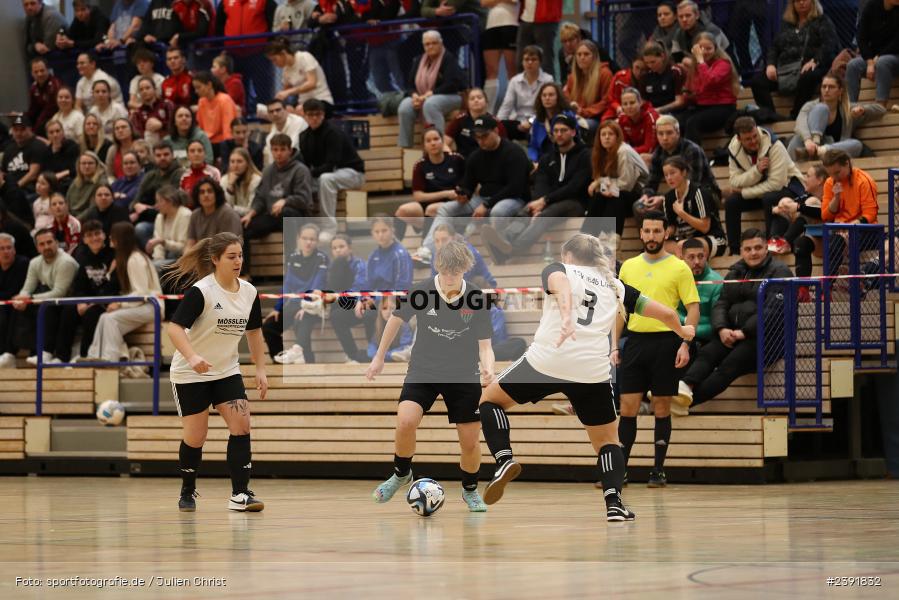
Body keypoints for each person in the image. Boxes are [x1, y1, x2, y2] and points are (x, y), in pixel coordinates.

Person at [477, 233, 695, 520]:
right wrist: (683, 332)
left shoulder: (559, 269)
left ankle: (504, 459)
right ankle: (614, 503)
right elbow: (666, 313)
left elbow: (562, 286)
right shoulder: (615, 285)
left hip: (549, 360)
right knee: (607, 441)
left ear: (568, 256)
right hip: (590, 371)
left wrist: (567, 316)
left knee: (489, 400)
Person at [366, 239, 495, 513]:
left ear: (465, 270)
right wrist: (379, 357)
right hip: (424, 369)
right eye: (446, 272)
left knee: (470, 441)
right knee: (405, 422)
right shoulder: (421, 291)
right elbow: (395, 321)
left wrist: (489, 368)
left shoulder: (476, 298)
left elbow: (486, 345)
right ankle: (401, 473)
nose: (450, 278)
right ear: (438, 267)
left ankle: (470, 490)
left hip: (463, 374)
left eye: (456, 273)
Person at [164, 231, 268, 512]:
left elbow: (255, 333)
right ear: (215, 259)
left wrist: (260, 369)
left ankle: (240, 494)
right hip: (190, 374)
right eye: (231, 257)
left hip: (226, 371)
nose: (238, 261)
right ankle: (187, 490)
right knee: (196, 437)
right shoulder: (202, 291)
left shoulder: (249, 292)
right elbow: (174, 328)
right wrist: (193, 356)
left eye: (240, 256)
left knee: (242, 424)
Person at [617, 211, 699, 487]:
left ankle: (658, 470)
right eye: (647, 231)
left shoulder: (679, 267)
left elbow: (693, 309)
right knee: (627, 407)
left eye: (656, 231)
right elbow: (620, 310)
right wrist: (614, 345)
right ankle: (621, 470)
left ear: (666, 233)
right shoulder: (627, 267)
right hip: (635, 343)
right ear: (640, 233)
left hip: (667, 343)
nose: (651, 236)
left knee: (661, 406)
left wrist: (686, 343)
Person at [677, 229, 792, 413]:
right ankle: (684, 387)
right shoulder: (735, 272)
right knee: (708, 352)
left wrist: (744, 332)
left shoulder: (780, 272)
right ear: (742, 251)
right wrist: (722, 329)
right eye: (748, 249)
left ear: (766, 249)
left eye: (757, 248)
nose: (753, 253)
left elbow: (773, 312)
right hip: (733, 334)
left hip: (766, 340)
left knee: (729, 365)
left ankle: (685, 403)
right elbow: (721, 305)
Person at [481, 113, 589, 260]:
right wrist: (539, 202)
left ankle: (512, 250)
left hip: (575, 203)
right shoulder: (547, 158)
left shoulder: (584, 155)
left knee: (542, 216)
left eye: (563, 130)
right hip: (550, 202)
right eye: (556, 130)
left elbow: (575, 187)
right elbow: (541, 183)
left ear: (573, 132)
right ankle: (504, 241)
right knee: (527, 209)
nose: (559, 134)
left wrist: (545, 201)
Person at [435, 115, 532, 237]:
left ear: (496, 131)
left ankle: (499, 250)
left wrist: (487, 205)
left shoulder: (514, 152)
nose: (481, 141)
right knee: (445, 209)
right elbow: (468, 184)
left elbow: (515, 187)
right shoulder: (475, 157)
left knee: (498, 211)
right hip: (484, 198)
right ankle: (430, 249)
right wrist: (463, 193)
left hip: (515, 198)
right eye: (477, 137)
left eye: (484, 136)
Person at [331, 217, 412, 363]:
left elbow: (402, 287)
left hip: (394, 300)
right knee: (338, 316)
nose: (380, 234)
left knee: (370, 312)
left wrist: (375, 301)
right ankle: (353, 356)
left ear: (392, 231)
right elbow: (366, 284)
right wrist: (361, 300)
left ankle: (376, 356)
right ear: (372, 234)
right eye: (377, 231)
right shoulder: (374, 255)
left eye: (384, 230)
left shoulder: (401, 253)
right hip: (375, 300)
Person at [724, 116, 805, 255]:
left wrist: (744, 192)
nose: (754, 141)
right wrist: (756, 171)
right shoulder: (733, 148)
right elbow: (734, 181)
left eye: (755, 136)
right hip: (761, 189)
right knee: (731, 202)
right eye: (748, 139)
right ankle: (735, 250)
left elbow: (776, 184)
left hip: (790, 187)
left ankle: (768, 245)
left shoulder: (774, 145)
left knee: (769, 198)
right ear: (739, 139)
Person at [751, 0, 838, 119]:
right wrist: (770, 64)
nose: (801, 3)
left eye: (805, 0)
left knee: (809, 76)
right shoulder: (786, 24)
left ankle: (795, 115)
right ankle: (770, 115)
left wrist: (815, 60)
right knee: (757, 81)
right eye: (797, 1)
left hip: (812, 66)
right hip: (786, 69)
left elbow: (829, 44)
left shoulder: (822, 20)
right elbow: (775, 47)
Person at [242, 133, 313, 272]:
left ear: (290, 151)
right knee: (245, 227)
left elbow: (304, 199)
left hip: (296, 215)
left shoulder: (300, 170)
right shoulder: (268, 170)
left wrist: (285, 201)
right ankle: (245, 273)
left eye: (282, 149)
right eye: (275, 149)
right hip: (273, 216)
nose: (278, 153)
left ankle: (292, 269)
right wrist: (251, 213)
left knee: (288, 215)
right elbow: (260, 197)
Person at [262, 223, 329, 365]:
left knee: (302, 321)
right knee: (268, 326)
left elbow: (318, 285)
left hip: (312, 305)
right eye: (305, 238)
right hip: (293, 304)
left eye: (312, 239)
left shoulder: (322, 258)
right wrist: (277, 308)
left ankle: (308, 361)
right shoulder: (293, 258)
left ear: (317, 241)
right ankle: (279, 362)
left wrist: (305, 306)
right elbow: (287, 285)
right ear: (298, 238)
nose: (308, 242)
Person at [11, 228, 79, 365]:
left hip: (71, 302)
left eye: (49, 242)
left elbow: (59, 292)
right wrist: (21, 298)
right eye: (42, 244)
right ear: (37, 247)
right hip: (53, 300)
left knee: (46, 307)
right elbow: (27, 288)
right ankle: (12, 353)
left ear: (57, 243)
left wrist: (29, 299)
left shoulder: (66, 262)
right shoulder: (35, 262)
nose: (46, 246)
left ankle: (47, 352)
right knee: (18, 308)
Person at [297, 100, 365, 235]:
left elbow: (330, 165)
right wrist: (304, 176)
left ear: (323, 114)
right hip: (327, 174)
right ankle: (305, 226)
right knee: (301, 183)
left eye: (318, 114)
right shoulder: (304, 136)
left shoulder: (333, 132)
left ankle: (329, 227)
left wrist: (309, 174)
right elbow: (306, 164)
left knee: (326, 178)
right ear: (304, 115)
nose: (315, 118)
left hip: (353, 173)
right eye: (311, 115)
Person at [636, 115, 720, 221]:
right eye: (660, 134)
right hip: (676, 195)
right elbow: (651, 183)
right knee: (639, 206)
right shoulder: (658, 153)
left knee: (687, 200)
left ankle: (671, 231)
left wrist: (664, 199)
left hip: (703, 193)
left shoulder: (692, 150)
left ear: (678, 133)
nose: (664, 138)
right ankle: (659, 235)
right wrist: (646, 195)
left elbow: (691, 184)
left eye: (669, 133)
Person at [55, 220, 117, 363]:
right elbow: (80, 285)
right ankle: (61, 357)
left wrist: (92, 303)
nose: (94, 238)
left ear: (104, 235)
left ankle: (84, 355)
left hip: (107, 301)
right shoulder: (82, 256)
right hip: (89, 300)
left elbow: (114, 285)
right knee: (69, 310)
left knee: (91, 313)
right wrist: (82, 301)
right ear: (84, 239)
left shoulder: (113, 255)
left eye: (97, 234)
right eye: (89, 235)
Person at [787, 74, 886, 162]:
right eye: (824, 87)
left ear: (840, 91)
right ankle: (815, 144)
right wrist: (808, 140)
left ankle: (819, 151)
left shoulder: (847, 110)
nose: (826, 90)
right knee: (821, 108)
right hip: (804, 148)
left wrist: (863, 109)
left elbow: (881, 110)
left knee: (857, 145)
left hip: (829, 155)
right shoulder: (810, 106)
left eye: (831, 87)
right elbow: (800, 123)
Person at [394, 128, 466, 245]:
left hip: (452, 204)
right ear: (424, 146)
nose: (433, 143)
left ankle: (425, 247)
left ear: (442, 141)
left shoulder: (456, 159)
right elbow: (418, 196)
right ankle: (394, 247)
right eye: (428, 140)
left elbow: (467, 184)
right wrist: (445, 193)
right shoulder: (420, 165)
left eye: (436, 139)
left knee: (432, 209)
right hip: (429, 204)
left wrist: (455, 194)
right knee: (403, 210)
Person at [397, 31, 468, 148]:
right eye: (427, 44)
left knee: (430, 104)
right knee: (404, 107)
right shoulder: (419, 60)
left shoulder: (448, 58)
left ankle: (439, 144)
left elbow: (453, 84)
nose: (430, 46)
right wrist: (414, 95)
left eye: (434, 43)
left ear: (441, 43)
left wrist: (430, 94)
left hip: (452, 96)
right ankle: (405, 148)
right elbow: (410, 86)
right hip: (423, 97)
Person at [584, 120, 648, 237]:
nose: (606, 137)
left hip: (638, 193)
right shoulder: (601, 153)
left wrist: (600, 183)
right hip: (619, 191)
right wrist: (602, 186)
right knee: (598, 197)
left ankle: (610, 241)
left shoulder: (624, 151)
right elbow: (606, 185)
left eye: (611, 134)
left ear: (618, 136)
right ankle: (586, 239)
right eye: (603, 134)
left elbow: (626, 184)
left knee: (616, 198)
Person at [678, 32, 739, 144]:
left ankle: (694, 158)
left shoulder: (723, 64)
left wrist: (701, 61)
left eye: (709, 48)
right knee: (677, 122)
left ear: (715, 48)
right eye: (701, 48)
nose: (705, 52)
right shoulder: (694, 67)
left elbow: (710, 81)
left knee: (693, 122)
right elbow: (691, 89)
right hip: (702, 107)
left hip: (723, 108)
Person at [216, 0, 277, 110]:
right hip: (233, 55)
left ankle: (267, 123)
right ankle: (241, 123)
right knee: (237, 93)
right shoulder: (225, 2)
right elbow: (219, 24)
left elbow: (273, 22)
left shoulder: (264, 2)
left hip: (259, 54)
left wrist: (269, 46)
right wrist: (222, 47)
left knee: (264, 92)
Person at [662, 156, 726, 258]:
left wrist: (682, 213)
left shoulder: (699, 192)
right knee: (658, 247)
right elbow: (672, 227)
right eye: (666, 175)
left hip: (712, 239)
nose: (669, 178)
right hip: (684, 240)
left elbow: (705, 227)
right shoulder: (668, 197)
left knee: (683, 247)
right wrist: (664, 232)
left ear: (683, 172)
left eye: (672, 173)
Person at [769, 164, 826, 273]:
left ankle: (785, 240)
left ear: (820, 180)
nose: (805, 179)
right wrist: (783, 205)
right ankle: (775, 241)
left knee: (808, 204)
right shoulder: (806, 196)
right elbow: (793, 206)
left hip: (827, 239)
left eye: (808, 176)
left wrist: (795, 207)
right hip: (808, 239)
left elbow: (823, 213)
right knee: (786, 203)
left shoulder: (828, 195)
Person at [845, 0, 899, 107]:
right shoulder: (871, 7)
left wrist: (879, 57)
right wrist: (869, 61)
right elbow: (861, 37)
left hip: (894, 56)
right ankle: (850, 107)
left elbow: (897, 42)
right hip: (874, 58)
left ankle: (879, 107)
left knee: (883, 63)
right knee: (852, 65)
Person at [497, 46, 554, 141]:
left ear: (540, 62)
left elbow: (548, 109)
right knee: (502, 127)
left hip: (539, 120)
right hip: (519, 122)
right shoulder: (514, 81)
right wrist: (497, 125)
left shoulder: (548, 80)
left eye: (534, 59)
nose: (530, 63)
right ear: (522, 62)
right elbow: (506, 106)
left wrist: (531, 122)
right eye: (526, 59)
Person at [265, 37, 334, 115]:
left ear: (283, 53)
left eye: (275, 59)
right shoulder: (286, 70)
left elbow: (312, 83)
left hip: (321, 100)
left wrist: (288, 92)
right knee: (285, 111)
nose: (274, 63)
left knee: (301, 110)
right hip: (302, 103)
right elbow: (285, 91)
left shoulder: (304, 57)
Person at [563, 40, 613, 137]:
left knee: (579, 126)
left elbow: (606, 102)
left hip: (596, 118)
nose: (582, 57)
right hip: (575, 116)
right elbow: (566, 97)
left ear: (594, 56)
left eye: (586, 54)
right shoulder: (572, 77)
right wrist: (571, 106)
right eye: (579, 54)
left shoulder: (605, 74)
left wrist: (583, 112)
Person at [444, 88, 508, 159]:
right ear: (467, 104)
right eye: (472, 98)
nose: (476, 100)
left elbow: (504, 148)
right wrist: (453, 158)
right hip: (464, 161)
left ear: (486, 102)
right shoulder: (459, 120)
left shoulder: (495, 123)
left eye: (479, 97)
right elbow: (445, 143)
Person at [481, 0, 520, 111]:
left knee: (512, 71)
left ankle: (513, 109)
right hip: (491, 26)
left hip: (511, 24)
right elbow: (484, 3)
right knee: (491, 71)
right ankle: (487, 111)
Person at [430, 223, 497, 288]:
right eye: (436, 241)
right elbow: (434, 281)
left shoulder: (467, 253)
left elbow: (459, 281)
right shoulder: (435, 255)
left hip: (477, 289)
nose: (440, 244)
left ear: (453, 238)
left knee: (478, 281)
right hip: (453, 290)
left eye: (444, 240)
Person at [0, 233, 31, 369]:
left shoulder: (23, 263)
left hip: (17, 304)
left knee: (12, 309)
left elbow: (20, 290)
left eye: (9, 248)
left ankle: (8, 353)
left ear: (14, 250)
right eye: (1, 248)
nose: (6, 251)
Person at [186, 178, 242, 247]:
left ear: (216, 194)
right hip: (201, 256)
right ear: (197, 197)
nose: (206, 195)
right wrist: (187, 257)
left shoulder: (228, 214)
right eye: (202, 192)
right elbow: (190, 244)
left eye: (210, 191)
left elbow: (229, 246)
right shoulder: (195, 215)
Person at [527, 82, 574, 162]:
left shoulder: (568, 116)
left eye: (551, 95)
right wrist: (534, 160)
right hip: (542, 162)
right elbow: (533, 146)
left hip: (564, 159)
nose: (547, 98)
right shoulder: (538, 121)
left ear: (558, 97)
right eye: (544, 95)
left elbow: (575, 142)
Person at [147, 185, 192, 266]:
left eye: (159, 201)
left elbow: (183, 247)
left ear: (170, 201)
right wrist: (158, 260)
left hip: (180, 257)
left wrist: (163, 242)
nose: (156, 205)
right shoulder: (159, 217)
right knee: (152, 265)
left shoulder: (185, 215)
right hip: (166, 256)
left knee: (170, 255)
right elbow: (158, 246)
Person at [638, 42, 687, 116]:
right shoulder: (645, 75)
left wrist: (659, 110)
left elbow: (680, 101)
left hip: (674, 112)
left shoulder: (675, 72)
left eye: (653, 62)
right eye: (647, 63)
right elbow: (643, 100)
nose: (650, 65)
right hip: (652, 112)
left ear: (662, 56)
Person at [3, 115, 49, 194]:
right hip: (10, 188)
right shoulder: (9, 148)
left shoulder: (37, 146)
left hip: (28, 189)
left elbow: (33, 174)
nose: (18, 133)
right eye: (15, 130)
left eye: (22, 129)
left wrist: (15, 188)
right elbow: (3, 172)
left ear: (30, 129)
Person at [193, 71, 238, 149]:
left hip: (221, 144)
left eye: (199, 87)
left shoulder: (225, 100)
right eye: (195, 88)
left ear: (209, 85)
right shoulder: (201, 101)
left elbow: (228, 130)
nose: (196, 91)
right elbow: (200, 127)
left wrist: (226, 149)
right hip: (206, 143)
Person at [135, 141, 184, 211]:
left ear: (173, 156)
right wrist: (136, 206)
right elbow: (136, 199)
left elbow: (173, 202)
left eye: (166, 154)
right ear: (154, 157)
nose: (162, 158)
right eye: (158, 155)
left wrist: (147, 208)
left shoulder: (180, 174)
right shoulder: (150, 175)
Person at [515, 0, 561, 75]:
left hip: (546, 17)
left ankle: (548, 86)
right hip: (525, 18)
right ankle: (522, 86)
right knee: (521, 61)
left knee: (545, 61)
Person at [130, 76, 175, 146]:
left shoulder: (167, 105)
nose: (144, 91)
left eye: (147, 88)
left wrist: (161, 125)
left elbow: (176, 125)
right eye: (141, 90)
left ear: (155, 89)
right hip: (150, 148)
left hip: (171, 143)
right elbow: (139, 137)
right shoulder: (137, 113)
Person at [262, 99, 307, 167]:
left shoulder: (298, 122)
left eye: (278, 110)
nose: (275, 114)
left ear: (286, 110)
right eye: (271, 111)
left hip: (301, 164)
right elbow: (270, 159)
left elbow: (292, 149)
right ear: (268, 115)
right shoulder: (270, 136)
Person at [617, 88, 659, 162]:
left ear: (640, 102)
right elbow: (622, 143)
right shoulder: (622, 119)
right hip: (634, 151)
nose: (629, 107)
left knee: (644, 157)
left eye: (632, 103)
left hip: (655, 153)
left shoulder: (650, 117)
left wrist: (627, 151)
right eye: (625, 104)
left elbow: (649, 148)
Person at [601, 57, 647, 121]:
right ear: (632, 65)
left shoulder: (649, 80)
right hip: (618, 109)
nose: (639, 72)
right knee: (605, 121)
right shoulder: (620, 77)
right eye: (637, 67)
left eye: (643, 70)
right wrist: (618, 107)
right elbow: (610, 98)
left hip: (638, 111)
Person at [26, 58, 62, 137]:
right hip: (41, 121)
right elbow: (32, 110)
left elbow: (49, 111)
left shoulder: (54, 85)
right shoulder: (34, 87)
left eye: (42, 70)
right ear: (32, 73)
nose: (39, 74)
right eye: (36, 72)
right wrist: (20, 118)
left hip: (53, 120)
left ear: (48, 70)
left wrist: (33, 132)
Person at [67, 152, 108, 220]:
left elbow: (92, 209)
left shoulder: (101, 183)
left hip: (87, 220)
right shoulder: (76, 182)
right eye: (83, 163)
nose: (87, 166)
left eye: (90, 163)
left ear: (97, 165)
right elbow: (67, 202)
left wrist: (75, 221)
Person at [222, 148, 262, 217]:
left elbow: (251, 210)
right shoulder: (224, 180)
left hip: (251, 218)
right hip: (230, 218)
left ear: (247, 163)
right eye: (232, 162)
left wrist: (231, 208)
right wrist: (230, 186)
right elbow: (223, 207)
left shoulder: (256, 180)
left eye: (239, 161)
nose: (235, 165)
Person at [43, 120, 81, 189]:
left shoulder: (72, 146)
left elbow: (76, 169)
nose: (55, 135)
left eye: (57, 131)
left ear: (63, 132)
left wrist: (61, 174)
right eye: (51, 132)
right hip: (53, 184)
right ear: (47, 135)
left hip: (69, 182)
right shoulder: (46, 151)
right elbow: (46, 172)